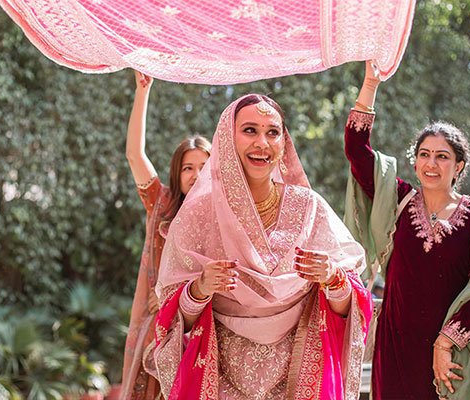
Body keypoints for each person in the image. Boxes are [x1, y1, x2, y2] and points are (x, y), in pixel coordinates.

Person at [146, 94, 373, 399]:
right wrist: (200, 288)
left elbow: (350, 309)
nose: (262, 143)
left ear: (284, 141)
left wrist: (333, 277)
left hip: (297, 377)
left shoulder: (309, 208)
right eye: (250, 130)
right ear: (228, 138)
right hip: (221, 380)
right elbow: (172, 320)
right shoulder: (199, 216)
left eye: (272, 132)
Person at [344, 62, 470, 399]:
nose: (431, 164)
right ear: (415, 161)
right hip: (397, 349)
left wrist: (446, 342)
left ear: (459, 165)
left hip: (453, 352)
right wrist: (370, 84)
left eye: (442, 156)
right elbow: (356, 149)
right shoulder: (399, 200)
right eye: (424, 155)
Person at [120, 70, 211, 400]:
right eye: (188, 167)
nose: (196, 174)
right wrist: (142, 92)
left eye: (204, 166)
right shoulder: (163, 203)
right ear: (178, 173)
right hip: (158, 327)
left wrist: (174, 292)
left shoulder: (224, 216)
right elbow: (134, 155)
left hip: (202, 328)